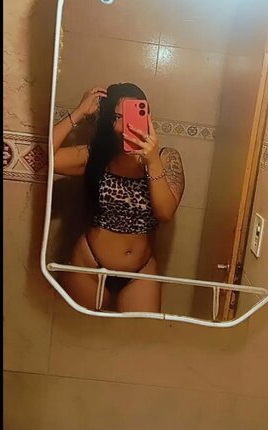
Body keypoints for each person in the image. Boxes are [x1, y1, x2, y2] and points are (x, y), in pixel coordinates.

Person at [53, 83, 185, 313]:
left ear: (147, 116)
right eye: (116, 117)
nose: (123, 126)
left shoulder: (166, 159)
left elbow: (165, 213)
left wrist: (152, 161)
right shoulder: (95, 156)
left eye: (132, 117)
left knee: (139, 335)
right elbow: (45, 158)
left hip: (140, 272)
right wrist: (80, 112)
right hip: (90, 265)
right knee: (78, 332)